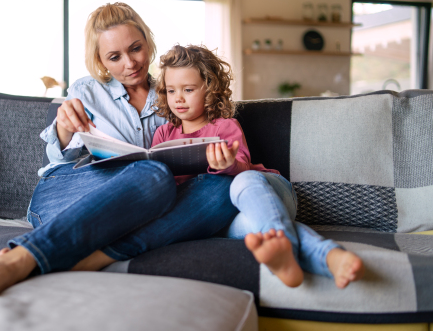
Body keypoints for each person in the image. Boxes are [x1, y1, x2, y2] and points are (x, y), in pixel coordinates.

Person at [0, 3, 239, 300]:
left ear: (148, 43)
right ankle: (20, 259)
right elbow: (60, 160)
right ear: (101, 60)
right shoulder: (86, 90)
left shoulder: (174, 92)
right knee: (154, 174)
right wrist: (64, 129)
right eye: (115, 57)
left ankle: (91, 260)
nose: (129, 63)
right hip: (67, 191)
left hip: (139, 202)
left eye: (136, 49)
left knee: (223, 189)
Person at [152, 43, 365, 289]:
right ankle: (329, 257)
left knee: (243, 181)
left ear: (209, 89)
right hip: (222, 218)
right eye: (170, 90)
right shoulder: (163, 134)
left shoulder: (224, 126)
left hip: (266, 190)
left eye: (188, 89)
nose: (178, 98)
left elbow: (243, 166)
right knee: (259, 229)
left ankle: (289, 257)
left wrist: (228, 164)